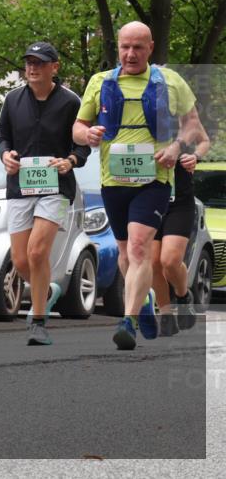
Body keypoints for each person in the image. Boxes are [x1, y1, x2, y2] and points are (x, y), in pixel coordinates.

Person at [73, 22, 202, 350]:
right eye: (125, 47)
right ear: (117, 47)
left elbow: (193, 127)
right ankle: (143, 305)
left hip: (154, 181)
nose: (131, 54)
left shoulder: (170, 81)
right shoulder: (100, 82)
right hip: (113, 182)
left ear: (151, 48)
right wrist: (86, 135)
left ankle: (128, 322)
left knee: (140, 248)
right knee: (124, 255)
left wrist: (175, 148)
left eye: (138, 48)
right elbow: (78, 125)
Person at [0, 42, 91, 346]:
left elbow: (82, 144)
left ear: (55, 66)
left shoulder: (70, 103)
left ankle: (38, 322)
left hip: (56, 187)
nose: (32, 68)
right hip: (20, 187)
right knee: (21, 260)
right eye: (28, 62)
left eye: (39, 62)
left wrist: (70, 160)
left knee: (38, 252)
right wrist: (6, 156)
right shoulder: (12, 100)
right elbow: (4, 137)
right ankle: (46, 290)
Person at [152, 114, 211, 336]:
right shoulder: (140, 113)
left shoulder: (186, 116)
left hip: (180, 201)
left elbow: (204, 140)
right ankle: (166, 314)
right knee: (153, 263)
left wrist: (195, 156)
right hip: (149, 198)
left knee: (169, 260)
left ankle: (183, 293)